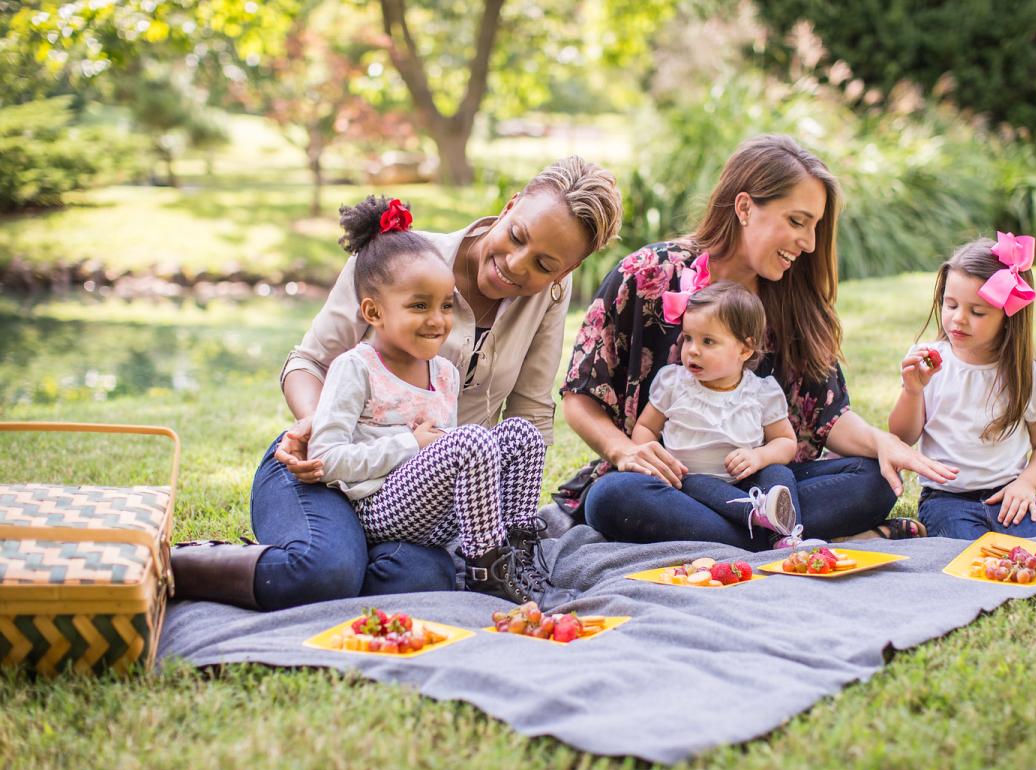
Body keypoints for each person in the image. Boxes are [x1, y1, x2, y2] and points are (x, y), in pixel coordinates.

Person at [171, 157, 623, 609]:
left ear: (565, 272)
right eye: (517, 236)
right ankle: (187, 563)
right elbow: (307, 361)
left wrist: (500, 520)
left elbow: (530, 411)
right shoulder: (396, 259)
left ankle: (345, 554)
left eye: (544, 264)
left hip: (414, 497)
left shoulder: (547, 298)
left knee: (424, 579)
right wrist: (314, 423)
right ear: (509, 207)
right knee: (325, 572)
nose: (515, 264)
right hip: (325, 467)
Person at [558, 134, 958, 550]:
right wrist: (623, 451)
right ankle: (783, 537)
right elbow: (580, 394)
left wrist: (883, 443)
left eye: (815, 227)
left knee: (876, 480)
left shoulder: (794, 299)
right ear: (745, 207)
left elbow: (829, 416)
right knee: (610, 498)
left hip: (763, 478)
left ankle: (756, 535)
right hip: (671, 482)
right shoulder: (647, 274)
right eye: (797, 221)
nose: (810, 244)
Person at [306, 197, 550, 604]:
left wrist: (442, 452)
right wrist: (411, 443)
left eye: (446, 305)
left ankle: (515, 553)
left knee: (522, 434)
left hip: (435, 515)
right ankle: (485, 572)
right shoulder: (357, 367)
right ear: (374, 312)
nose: (437, 320)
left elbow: (447, 455)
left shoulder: (445, 373)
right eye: (419, 306)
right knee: (470, 440)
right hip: (377, 507)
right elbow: (327, 459)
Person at [887, 233, 1036, 539]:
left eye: (977, 312)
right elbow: (901, 437)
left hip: (1008, 494)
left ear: (1008, 316)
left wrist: (1027, 484)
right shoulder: (929, 362)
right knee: (965, 555)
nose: (958, 319)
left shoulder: (1027, 374)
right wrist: (912, 391)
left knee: (1029, 554)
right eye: (950, 305)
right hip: (946, 498)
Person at [630, 280, 801, 546]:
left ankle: (783, 536)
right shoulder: (673, 384)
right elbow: (646, 428)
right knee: (624, 491)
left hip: (747, 484)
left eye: (708, 341)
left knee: (780, 475)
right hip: (686, 489)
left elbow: (786, 442)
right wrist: (652, 456)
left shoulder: (760, 392)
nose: (692, 350)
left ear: (745, 349)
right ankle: (754, 520)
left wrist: (758, 456)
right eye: (688, 338)